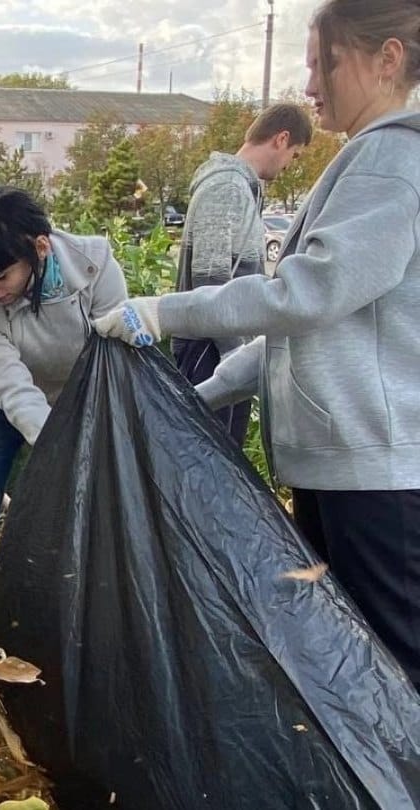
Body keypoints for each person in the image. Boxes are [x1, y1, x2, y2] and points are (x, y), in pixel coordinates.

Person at [94, 0, 420, 687]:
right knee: (356, 663)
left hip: (374, 476)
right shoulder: (367, 160)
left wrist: (166, 312)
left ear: (387, 59)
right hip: (343, 469)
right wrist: (203, 395)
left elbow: (305, 295)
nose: (308, 88)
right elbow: (304, 332)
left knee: (391, 667)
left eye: (323, 63)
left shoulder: (391, 160)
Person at [0, 186, 129, 632]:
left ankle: (64, 631)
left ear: (40, 248)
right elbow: (12, 386)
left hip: (78, 401)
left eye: (1, 276)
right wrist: (54, 448)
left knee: (75, 521)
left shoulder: (93, 266)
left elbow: (116, 355)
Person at [172, 102, 312, 446]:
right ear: (281, 139)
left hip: (216, 345)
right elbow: (209, 274)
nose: (289, 165)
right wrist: (234, 352)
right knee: (211, 462)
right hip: (211, 349)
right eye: (294, 155)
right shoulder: (227, 188)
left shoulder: (240, 187)